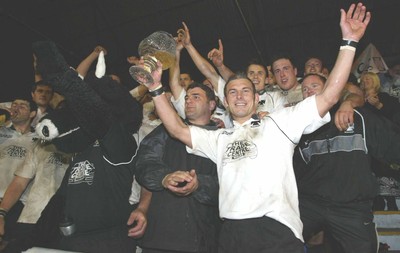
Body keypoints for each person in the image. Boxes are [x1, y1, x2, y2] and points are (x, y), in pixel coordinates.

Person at [137, 3, 371, 252]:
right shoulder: (219, 139)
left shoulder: (280, 123)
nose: (239, 96)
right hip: (230, 234)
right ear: (225, 102)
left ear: (257, 98)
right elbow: (176, 129)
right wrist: (155, 88)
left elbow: (329, 96)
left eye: (245, 90)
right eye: (233, 92)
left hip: (275, 231)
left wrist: (349, 41)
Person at [295, 71, 400, 253]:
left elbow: (392, 145)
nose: (309, 91)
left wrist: (349, 102)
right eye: (304, 89)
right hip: (311, 203)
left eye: (314, 86)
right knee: (280, 235)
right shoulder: (299, 127)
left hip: (351, 207)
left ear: (329, 89)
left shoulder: (358, 117)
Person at [135, 82, 221, 253]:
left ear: (212, 105)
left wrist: (199, 185)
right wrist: (164, 177)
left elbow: (228, 186)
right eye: (187, 97)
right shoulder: (165, 131)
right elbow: (144, 163)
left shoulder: (223, 138)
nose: (188, 101)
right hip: (160, 237)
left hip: (201, 240)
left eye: (196, 97)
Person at [0, 142, 71, 252]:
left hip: (65, 222)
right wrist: (1, 214)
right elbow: (19, 183)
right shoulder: (41, 144)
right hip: (31, 218)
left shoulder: (92, 144)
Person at [0, 98, 38, 249]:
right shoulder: (1, 131)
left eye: (22, 105)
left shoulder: (39, 138)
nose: (16, 107)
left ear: (32, 113)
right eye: (14, 105)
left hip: (19, 202)